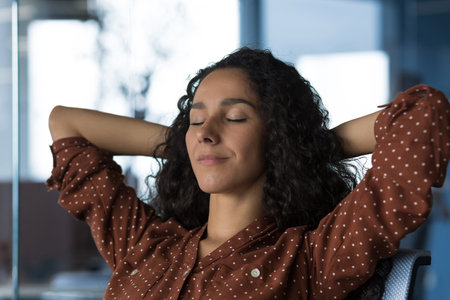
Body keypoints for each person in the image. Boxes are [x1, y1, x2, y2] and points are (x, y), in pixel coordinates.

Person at [47, 48, 449, 299]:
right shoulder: (145, 245)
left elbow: (423, 114)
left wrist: (304, 145)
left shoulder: (311, 261)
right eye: (196, 119)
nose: (206, 132)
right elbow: (65, 124)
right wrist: (185, 143)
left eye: (235, 117)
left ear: (277, 137)